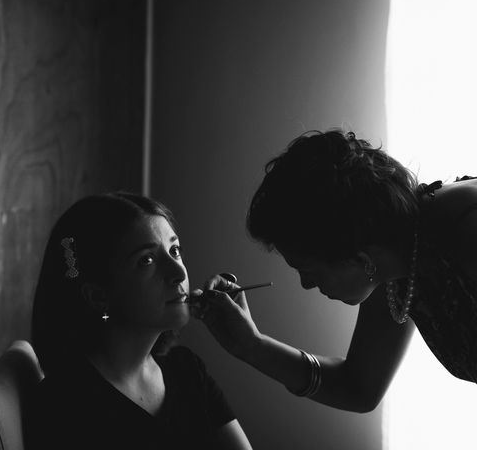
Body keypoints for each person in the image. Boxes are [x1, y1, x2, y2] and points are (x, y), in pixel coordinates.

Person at [191, 128, 477, 413]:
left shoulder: (466, 228)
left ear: (352, 253)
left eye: (309, 270)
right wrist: (252, 345)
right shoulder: (393, 262)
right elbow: (358, 388)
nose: (306, 284)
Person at [27, 191, 253, 449]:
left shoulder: (187, 371)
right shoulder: (61, 405)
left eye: (175, 250)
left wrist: (252, 345)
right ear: (99, 295)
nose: (179, 273)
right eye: (146, 260)